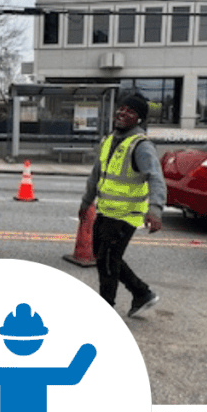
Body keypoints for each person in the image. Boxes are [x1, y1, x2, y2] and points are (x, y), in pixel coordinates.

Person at [77, 92, 167, 318]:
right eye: (121, 108)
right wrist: (86, 202)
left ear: (139, 119)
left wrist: (155, 209)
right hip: (106, 211)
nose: (122, 113)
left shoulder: (141, 145)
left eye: (130, 111)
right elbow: (96, 175)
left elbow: (156, 177)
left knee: (107, 262)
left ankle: (105, 312)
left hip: (126, 215)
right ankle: (142, 293)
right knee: (105, 256)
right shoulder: (109, 140)